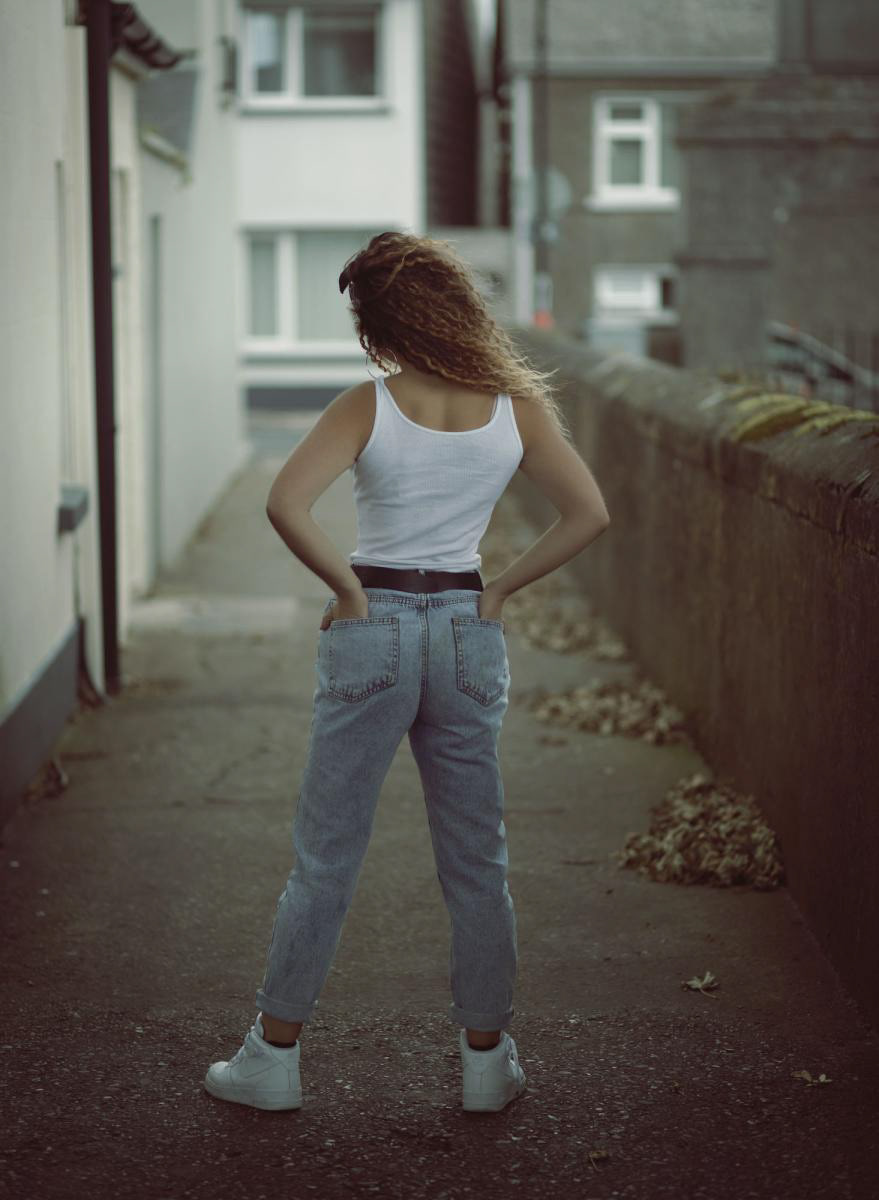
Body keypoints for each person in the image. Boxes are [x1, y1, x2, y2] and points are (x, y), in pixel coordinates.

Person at [203, 231, 611, 1113]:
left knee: (326, 857)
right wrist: (496, 590)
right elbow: (588, 513)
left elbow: (285, 503)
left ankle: (272, 1060)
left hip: (373, 627)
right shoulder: (514, 410)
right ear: (456, 307)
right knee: (477, 861)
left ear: (380, 323)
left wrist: (349, 590)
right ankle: (485, 1064)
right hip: (466, 629)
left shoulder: (368, 405)